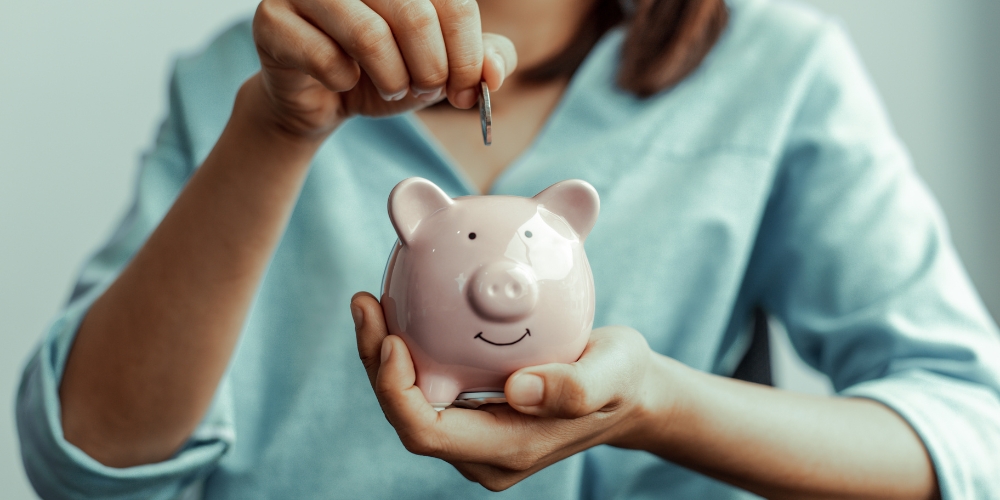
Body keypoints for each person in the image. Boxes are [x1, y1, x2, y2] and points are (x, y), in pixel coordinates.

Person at [16, 0, 1000, 497]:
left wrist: (659, 404)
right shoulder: (246, 79)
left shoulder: (776, 73)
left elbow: (971, 433)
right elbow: (87, 461)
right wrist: (274, 131)